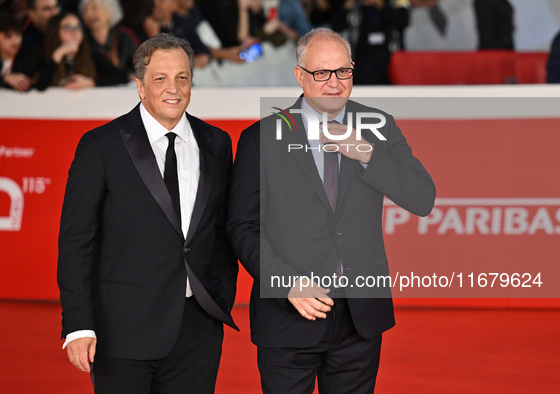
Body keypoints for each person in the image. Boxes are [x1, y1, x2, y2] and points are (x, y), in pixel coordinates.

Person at [227, 27, 435, 393]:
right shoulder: (261, 138)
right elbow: (242, 226)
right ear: (299, 76)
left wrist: (368, 153)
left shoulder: (378, 127)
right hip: (289, 317)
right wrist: (286, 282)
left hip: (360, 319)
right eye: (321, 73)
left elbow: (422, 197)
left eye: (343, 71)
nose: (334, 83)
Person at [57, 32, 238, 393]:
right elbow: (77, 241)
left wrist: (217, 297)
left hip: (197, 332)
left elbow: (221, 230)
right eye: (160, 78)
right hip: (121, 330)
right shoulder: (101, 146)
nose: (174, 88)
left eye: (182, 78)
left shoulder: (216, 142)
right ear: (140, 87)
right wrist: (78, 324)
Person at [35, 11, 128, 89]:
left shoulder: (90, 54)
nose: (75, 32)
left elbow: (122, 77)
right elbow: (40, 85)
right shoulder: (43, 54)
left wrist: (90, 82)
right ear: (55, 32)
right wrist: (59, 53)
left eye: (78, 27)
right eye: (68, 28)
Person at [80, 0, 137, 79]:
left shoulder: (123, 38)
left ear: (110, 13)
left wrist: (129, 74)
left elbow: (138, 66)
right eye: (85, 11)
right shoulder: (82, 40)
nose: (88, 14)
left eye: (94, 8)